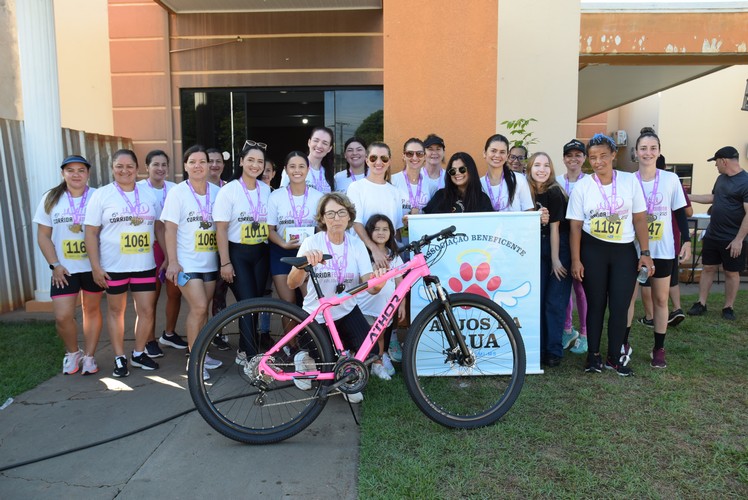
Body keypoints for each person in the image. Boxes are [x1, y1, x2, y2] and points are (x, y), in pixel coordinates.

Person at [287, 192, 387, 403]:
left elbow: (371, 287)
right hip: (317, 316)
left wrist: (380, 283)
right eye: (330, 214)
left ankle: (343, 362)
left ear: (349, 217)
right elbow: (292, 284)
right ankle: (304, 359)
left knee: (371, 351)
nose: (336, 218)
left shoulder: (356, 244)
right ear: (322, 218)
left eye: (341, 213)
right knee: (327, 365)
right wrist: (305, 264)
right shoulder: (311, 242)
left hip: (347, 310)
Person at [567, 133, 653, 376]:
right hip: (593, 249)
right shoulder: (583, 186)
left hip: (624, 252)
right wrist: (576, 259)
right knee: (596, 304)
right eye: (593, 157)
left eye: (603, 155)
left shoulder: (629, 181)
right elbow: (574, 225)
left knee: (620, 305)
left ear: (614, 155)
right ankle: (593, 356)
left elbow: (639, 218)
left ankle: (615, 357)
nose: (598, 161)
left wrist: (645, 252)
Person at [84, 149, 164, 377]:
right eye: (119, 166)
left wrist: (167, 256)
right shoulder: (102, 195)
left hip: (144, 264)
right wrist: (96, 267)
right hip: (113, 266)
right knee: (116, 311)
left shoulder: (148, 194)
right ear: (112, 168)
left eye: (129, 166)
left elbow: (158, 226)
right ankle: (119, 357)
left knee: (147, 310)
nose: (124, 170)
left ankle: (138, 352)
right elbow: (90, 233)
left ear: (137, 168)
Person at [623, 128, 690, 369]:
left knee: (661, 299)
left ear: (659, 152)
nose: (648, 153)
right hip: (632, 249)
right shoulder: (628, 180)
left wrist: (688, 242)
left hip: (663, 250)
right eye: (643, 148)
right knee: (627, 298)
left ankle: (658, 348)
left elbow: (680, 213)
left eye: (652, 148)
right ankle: (623, 344)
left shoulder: (671, 179)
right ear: (636, 152)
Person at [33, 155, 103, 375]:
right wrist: (55, 264)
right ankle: (73, 353)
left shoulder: (97, 196)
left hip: (92, 267)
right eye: (70, 170)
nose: (76, 174)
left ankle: (90, 356)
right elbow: (43, 235)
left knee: (91, 311)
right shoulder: (51, 198)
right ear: (63, 173)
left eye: (81, 170)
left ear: (88, 174)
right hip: (64, 269)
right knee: (63, 316)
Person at [161, 145, 222, 379]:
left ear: (209, 165)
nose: (198, 166)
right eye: (192, 162)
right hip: (187, 263)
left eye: (202, 162)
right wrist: (173, 262)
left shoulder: (217, 192)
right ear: (185, 166)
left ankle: (202, 354)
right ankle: (194, 360)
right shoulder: (178, 193)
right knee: (197, 308)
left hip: (209, 262)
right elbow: (169, 229)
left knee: (203, 310)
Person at [213, 140, 271, 363]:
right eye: (250, 160)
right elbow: (221, 228)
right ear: (241, 162)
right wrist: (225, 262)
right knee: (246, 302)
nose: (255, 165)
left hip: (260, 253)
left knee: (256, 302)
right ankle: (249, 353)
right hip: (237, 254)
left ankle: (246, 349)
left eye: (259, 161)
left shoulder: (266, 190)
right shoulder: (229, 191)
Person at [688, 146, 748, 321]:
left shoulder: (745, 182)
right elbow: (714, 198)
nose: (715, 166)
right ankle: (701, 303)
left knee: (731, 272)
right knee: (708, 268)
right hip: (713, 234)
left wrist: (739, 240)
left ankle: (728, 307)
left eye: (716, 162)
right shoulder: (721, 179)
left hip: (732, 238)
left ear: (724, 161)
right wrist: (688, 196)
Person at [137, 150, 186, 357]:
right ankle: (148, 340)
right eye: (155, 164)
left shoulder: (175, 189)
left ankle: (169, 332)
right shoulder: (138, 189)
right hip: (150, 249)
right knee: (151, 298)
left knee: (175, 293)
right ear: (146, 167)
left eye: (164, 165)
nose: (160, 169)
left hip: (173, 247)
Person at [526, 152, 572, 367]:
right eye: (537, 165)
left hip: (557, 247)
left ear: (551, 170)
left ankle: (553, 350)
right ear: (529, 168)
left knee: (554, 301)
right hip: (533, 247)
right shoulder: (525, 191)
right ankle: (539, 349)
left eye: (546, 165)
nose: (541, 169)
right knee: (538, 299)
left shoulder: (555, 192)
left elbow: (555, 229)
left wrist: (555, 259)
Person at [267, 151, 324, 307]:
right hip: (281, 252)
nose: (297, 171)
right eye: (292, 166)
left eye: (301, 166)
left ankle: (311, 332)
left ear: (308, 169)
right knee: (288, 303)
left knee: (311, 302)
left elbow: (321, 229)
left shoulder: (319, 197)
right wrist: (284, 244)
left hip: (309, 254)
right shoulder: (275, 196)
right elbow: (270, 229)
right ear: (286, 169)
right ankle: (291, 333)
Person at [357, 214, 407, 380]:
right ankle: (359, 364)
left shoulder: (394, 256)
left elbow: (400, 282)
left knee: (379, 337)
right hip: (364, 305)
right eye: (376, 229)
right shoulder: (363, 255)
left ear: (391, 233)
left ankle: (378, 363)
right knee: (363, 337)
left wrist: (402, 304)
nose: (380, 232)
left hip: (385, 307)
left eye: (385, 229)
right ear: (369, 232)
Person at [347, 142, 404, 269]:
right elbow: (356, 223)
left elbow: (395, 228)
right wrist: (374, 250)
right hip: (361, 253)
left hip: (387, 256)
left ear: (389, 161)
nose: (378, 162)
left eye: (383, 158)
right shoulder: (356, 187)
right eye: (374, 158)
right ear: (367, 160)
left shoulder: (394, 191)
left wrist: (395, 253)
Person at [556, 139, 589, 354]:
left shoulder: (591, 182)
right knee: (564, 286)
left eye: (578, 155)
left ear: (584, 158)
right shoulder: (557, 181)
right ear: (564, 158)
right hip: (561, 238)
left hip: (584, 239)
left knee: (581, 287)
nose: (573, 159)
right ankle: (567, 329)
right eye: (569, 155)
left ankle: (585, 334)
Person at [392, 138, 437, 245]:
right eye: (409, 153)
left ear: (425, 157)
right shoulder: (392, 181)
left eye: (419, 154)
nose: (415, 157)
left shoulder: (431, 185)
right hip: (398, 239)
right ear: (403, 156)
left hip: (422, 240)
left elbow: (433, 215)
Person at [423, 152, 494, 214]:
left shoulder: (482, 199)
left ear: (471, 170)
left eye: (462, 169)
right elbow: (427, 220)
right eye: (453, 171)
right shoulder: (440, 196)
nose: (457, 173)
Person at [481, 134, 534, 212]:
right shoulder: (479, 184)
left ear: (507, 156)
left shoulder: (519, 180)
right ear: (484, 153)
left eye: (502, 152)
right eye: (493, 151)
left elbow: (529, 212)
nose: (497, 155)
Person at [280, 128, 335, 192]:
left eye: (325, 143)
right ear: (309, 142)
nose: (319, 145)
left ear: (329, 149)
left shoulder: (328, 172)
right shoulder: (294, 167)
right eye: (316, 140)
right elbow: (282, 194)